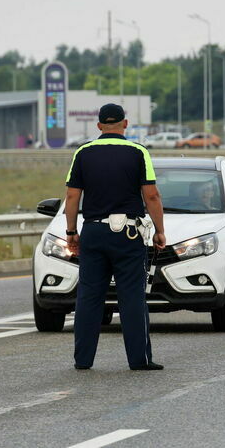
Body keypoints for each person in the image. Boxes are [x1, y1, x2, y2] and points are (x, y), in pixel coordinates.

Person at [64, 103, 166, 371]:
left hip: (93, 231)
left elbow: (72, 196)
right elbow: (151, 195)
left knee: (89, 296)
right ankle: (139, 359)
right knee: (131, 296)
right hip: (127, 233)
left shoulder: (82, 153)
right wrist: (159, 230)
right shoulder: (138, 152)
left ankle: (83, 360)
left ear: (99, 126)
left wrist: (71, 232)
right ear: (125, 124)